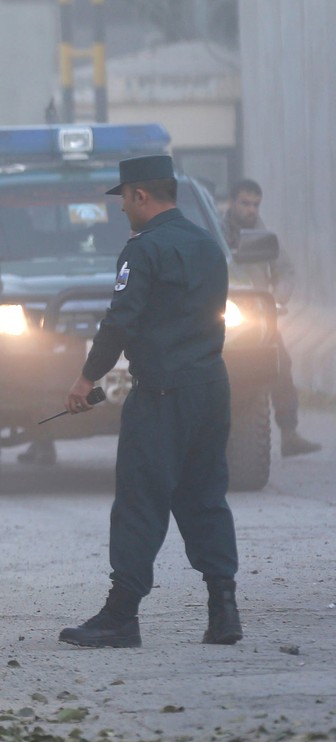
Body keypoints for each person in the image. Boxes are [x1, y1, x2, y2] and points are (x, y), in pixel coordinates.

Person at [59, 155, 243, 648]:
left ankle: (121, 616)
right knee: (205, 495)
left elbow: (120, 321)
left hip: (161, 392)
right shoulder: (208, 246)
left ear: (141, 195)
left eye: (123, 198)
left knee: (141, 499)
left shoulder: (143, 251)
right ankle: (223, 610)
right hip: (211, 386)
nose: (122, 209)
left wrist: (86, 378)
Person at [224, 179, 320, 456]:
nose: (251, 210)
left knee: (281, 367)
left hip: (256, 319)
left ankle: (289, 432)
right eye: (245, 203)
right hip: (218, 317)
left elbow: (285, 271)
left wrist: (277, 297)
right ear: (231, 202)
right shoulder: (215, 231)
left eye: (255, 204)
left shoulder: (263, 236)